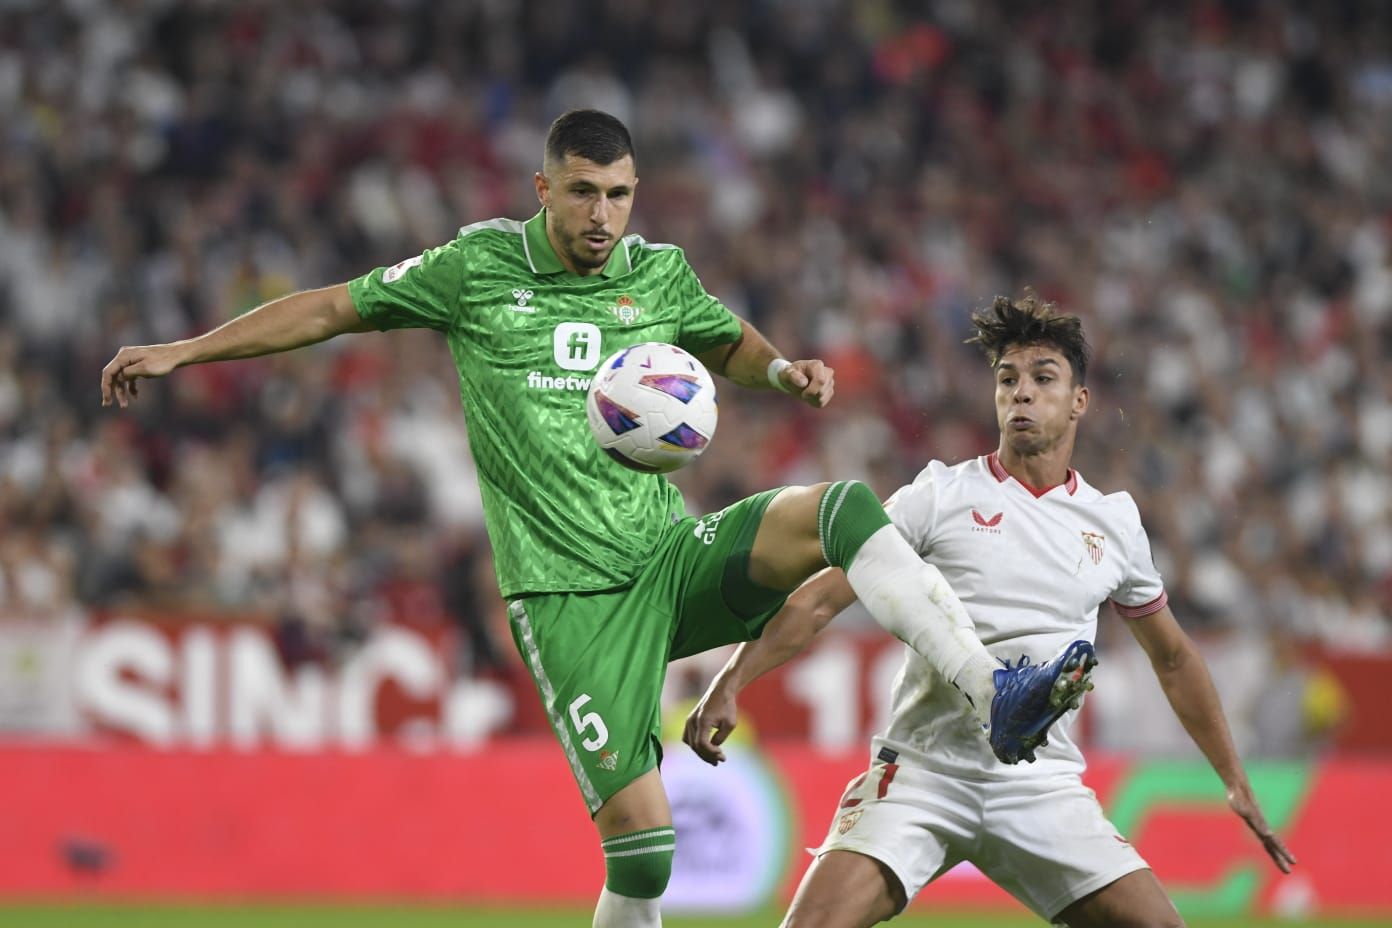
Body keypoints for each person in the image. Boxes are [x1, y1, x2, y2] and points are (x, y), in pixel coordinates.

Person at [100, 110, 1091, 928]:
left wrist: (783, 371)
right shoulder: (477, 268)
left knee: (840, 508)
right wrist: (184, 350)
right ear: (543, 188)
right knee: (646, 855)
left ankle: (990, 691)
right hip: (566, 601)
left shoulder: (657, 273)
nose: (602, 215)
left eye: (618, 194)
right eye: (582, 192)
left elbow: (724, 340)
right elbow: (329, 308)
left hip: (667, 557)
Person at [683, 293, 1297, 927]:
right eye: (1008, 380)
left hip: (1040, 786)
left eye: (1043, 379)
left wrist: (1234, 778)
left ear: (1079, 401)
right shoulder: (938, 495)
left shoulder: (1114, 522)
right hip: (922, 773)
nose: (1021, 393)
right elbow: (819, 599)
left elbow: (1172, 658)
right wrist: (732, 678)